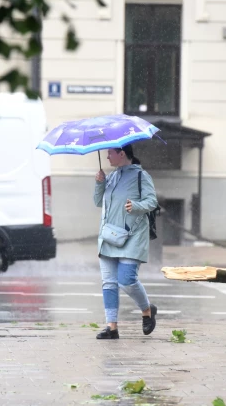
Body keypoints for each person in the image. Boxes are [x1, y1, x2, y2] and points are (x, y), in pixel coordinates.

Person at [93, 144, 158, 340]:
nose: (107, 157)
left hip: (133, 236)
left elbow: (152, 201)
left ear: (122, 154)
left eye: (110, 153)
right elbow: (98, 202)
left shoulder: (141, 176)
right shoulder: (111, 177)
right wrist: (99, 184)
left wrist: (136, 206)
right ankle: (111, 327)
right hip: (109, 236)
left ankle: (147, 310)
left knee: (126, 279)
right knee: (109, 283)